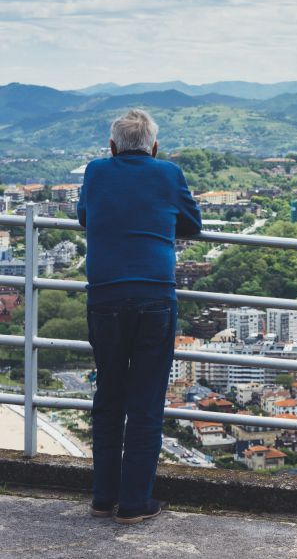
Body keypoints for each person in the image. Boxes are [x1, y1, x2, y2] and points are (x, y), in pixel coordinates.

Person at [77, 109, 202, 524]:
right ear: (154, 146)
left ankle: (103, 497)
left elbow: (85, 218)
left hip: (105, 297)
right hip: (153, 298)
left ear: (112, 147)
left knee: (108, 397)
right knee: (145, 404)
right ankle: (134, 502)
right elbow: (193, 224)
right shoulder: (168, 173)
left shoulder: (95, 172)